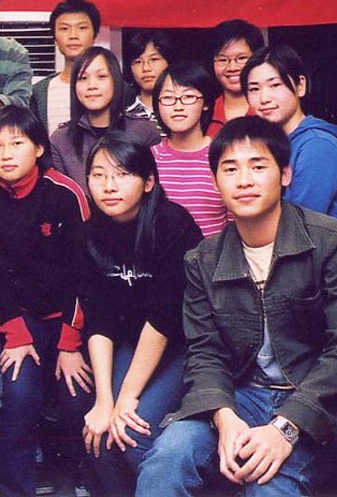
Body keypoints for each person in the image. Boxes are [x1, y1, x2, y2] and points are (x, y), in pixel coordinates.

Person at [136, 117, 337, 495]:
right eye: (230, 169)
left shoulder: (334, 242)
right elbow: (205, 353)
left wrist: (286, 427)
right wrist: (224, 417)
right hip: (242, 397)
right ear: (215, 181)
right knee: (168, 458)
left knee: (267, 483)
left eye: (258, 166)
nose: (244, 180)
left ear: (285, 175)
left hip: (327, 407)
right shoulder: (203, 259)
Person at [0, 105, 91, 497]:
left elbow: (84, 271)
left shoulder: (65, 194)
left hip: (70, 320)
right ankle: (14, 488)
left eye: (17, 143)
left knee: (75, 398)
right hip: (20, 320)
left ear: (38, 148)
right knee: (18, 398)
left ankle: (81, 479)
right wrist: (16, 334)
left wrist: (70, 341)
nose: (6, 154)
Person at [78, 132, 202, 495]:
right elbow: (97, 318)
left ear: (148, 182)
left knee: (131, 432)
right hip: (132, 343)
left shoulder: (174, 225)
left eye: (122, 175)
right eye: (98, 175)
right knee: (101, 431)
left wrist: (125, 399)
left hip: (184, 345)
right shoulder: (90, 232)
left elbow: (164, 320)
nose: (108, 186)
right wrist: (104, 400)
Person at [242, 44, 337, 232]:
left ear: (300, 86)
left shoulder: (318, 146)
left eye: (275, 85)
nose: (264, 98)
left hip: (321, 249)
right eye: (254, 89)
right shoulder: (270, 144)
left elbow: (298, 225)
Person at [50, 46, 160, 197]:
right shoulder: (61, 139)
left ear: (116, 81)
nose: (92, 86)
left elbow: (153, 191)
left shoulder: (144, 131)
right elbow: (62, 198)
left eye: (101, 77)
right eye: (83, 78)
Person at [151, 61, 229, 237]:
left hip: (215, 254)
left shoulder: (223, 156)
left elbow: (236, 222)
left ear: (206, 103)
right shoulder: (149, 158)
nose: (178, 106)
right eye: (168, 98)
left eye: (188, 97)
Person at [31, 0, 100, 136]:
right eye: (64, 29)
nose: (73, 36)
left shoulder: (115, 87)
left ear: (94, 35)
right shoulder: (39, 92)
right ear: (55, 38)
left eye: (82, 28)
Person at [207, 19, 264, 136]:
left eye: (241, 58)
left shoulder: (268, 108)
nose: (232, 68)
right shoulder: (204, 112)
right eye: (223, 60)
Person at [123, 29, 173, 135]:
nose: (146, 68)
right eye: (138, 62)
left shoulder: (180, 109)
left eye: (154, 59)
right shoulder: (123, 115)